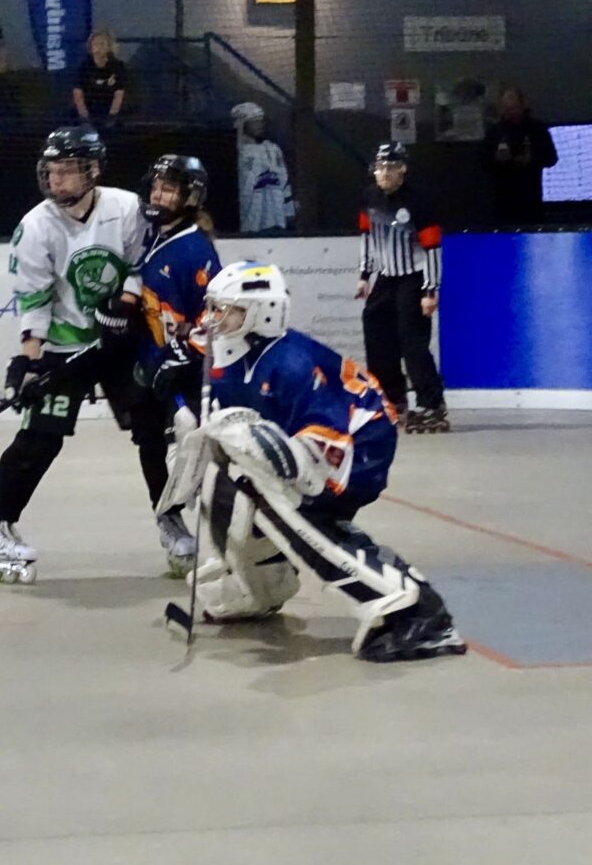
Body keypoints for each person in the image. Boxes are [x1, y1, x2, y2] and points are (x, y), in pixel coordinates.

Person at [169, 260, 467, 663]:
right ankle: (261, 584)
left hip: (360, 443)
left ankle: (417, 610)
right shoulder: (232, 350)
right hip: (316, 441)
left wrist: (263, 454)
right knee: (223, 485)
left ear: (261, 313)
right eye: (213, 307)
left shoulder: (291, 363)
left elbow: (319, 449)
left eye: (226, 309)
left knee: (290, 506)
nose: (213, 318)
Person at [0, 125, 148, 582]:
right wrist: (30, 362)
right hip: (67, 344)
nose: (56, 180)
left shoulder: (126, 208)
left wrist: (125, 304)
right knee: (40, 438)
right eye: (51, 171)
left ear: (92, 170)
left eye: (67, 170)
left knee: (155, 431)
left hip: (120, 340)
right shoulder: (36, 226)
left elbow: (139, 263)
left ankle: (172, 522)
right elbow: (35, 300)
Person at [128, 154, 220, 575]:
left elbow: (214, 317)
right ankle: (168, 520)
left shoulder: (196, 250)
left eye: (168, 189)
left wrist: (185, 356)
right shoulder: (145, 235)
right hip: (148, 365)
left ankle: (226, 535)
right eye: (156, 187)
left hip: (186, 371)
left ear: (190, 197)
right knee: (149, 444)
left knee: (196, 452)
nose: (157, 195)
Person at [356, 142, 448, 434]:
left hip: (413, 277)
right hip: (385, 276)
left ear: (403, 169)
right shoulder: (369, 197)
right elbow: (366, 236)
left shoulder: (419, 201)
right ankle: (392, 399)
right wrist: (364, 275)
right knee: (376, 335)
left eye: (390, 167)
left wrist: (430, 291)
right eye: (380, 167)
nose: (384, 172)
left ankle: (432, 405)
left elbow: (432, 248)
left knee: (413, 344)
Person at [481, 87, 558, 226]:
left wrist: (532, 159)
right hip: (502, 199)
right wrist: (497, 159)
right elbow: (482, 163)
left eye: (512, 109)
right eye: (505, 109)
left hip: (530, 197)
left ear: (522, 106)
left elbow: (551, 158)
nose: (509, 113)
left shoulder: (537, 130)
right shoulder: (495, 132)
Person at [231, 102, 295, 234]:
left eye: (260, 121)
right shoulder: (238, 153)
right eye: (254, 122)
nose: (259, 125)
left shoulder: (273, 149)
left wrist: (289, 210)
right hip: (250, 224)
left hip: (277, 220)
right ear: (243, 124)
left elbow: (284, 180)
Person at [72, 28, 128, 127]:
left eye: (102, 44)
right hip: (89, 110)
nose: (98, 47)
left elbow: (119, 94)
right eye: (95, 44)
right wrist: (84, 117)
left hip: (110, 110)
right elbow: (77, 94)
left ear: (109, 47)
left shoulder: (118, 66)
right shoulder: (84, 66)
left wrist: (112, 116)